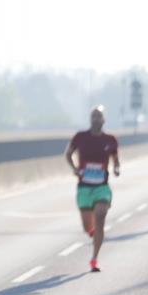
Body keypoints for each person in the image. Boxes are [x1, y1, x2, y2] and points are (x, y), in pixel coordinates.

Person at [64, 107, 120, 272]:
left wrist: (116, 168)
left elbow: (115, 159)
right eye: (93, 116)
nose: (96, 119)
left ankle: (94, 259)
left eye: (99, 116)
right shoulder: (80, 137)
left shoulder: (110, 139)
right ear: (90, 119)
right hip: (84, 187)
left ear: (104, 120)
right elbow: (68, 154)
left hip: (102, 186)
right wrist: (74, 168)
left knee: (101, 216)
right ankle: (94, 234)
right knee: (88, 227)